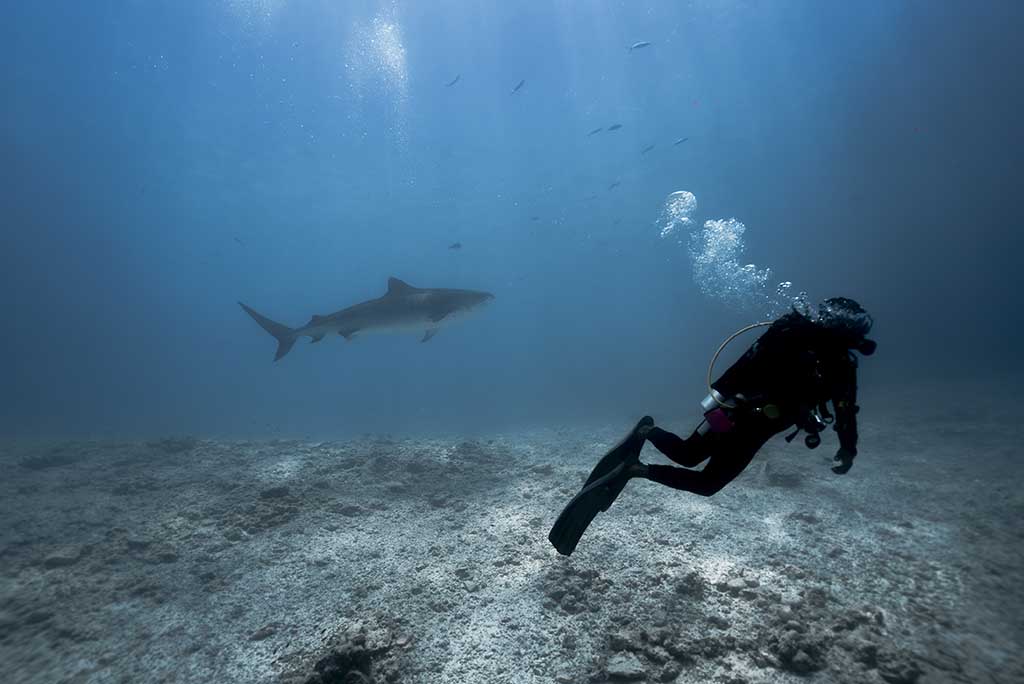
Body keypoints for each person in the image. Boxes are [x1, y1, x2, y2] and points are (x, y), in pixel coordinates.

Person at [549, 297, 876, 556]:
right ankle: (640, 454)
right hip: (742, 420)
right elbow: (843, 410)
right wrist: (848, 449)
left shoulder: (825, 356)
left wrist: (848, 447)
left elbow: (844, 410)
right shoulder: (813, 350)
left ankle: (642, 447)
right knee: (698, 470)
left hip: (739, 419)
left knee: (695, 465)